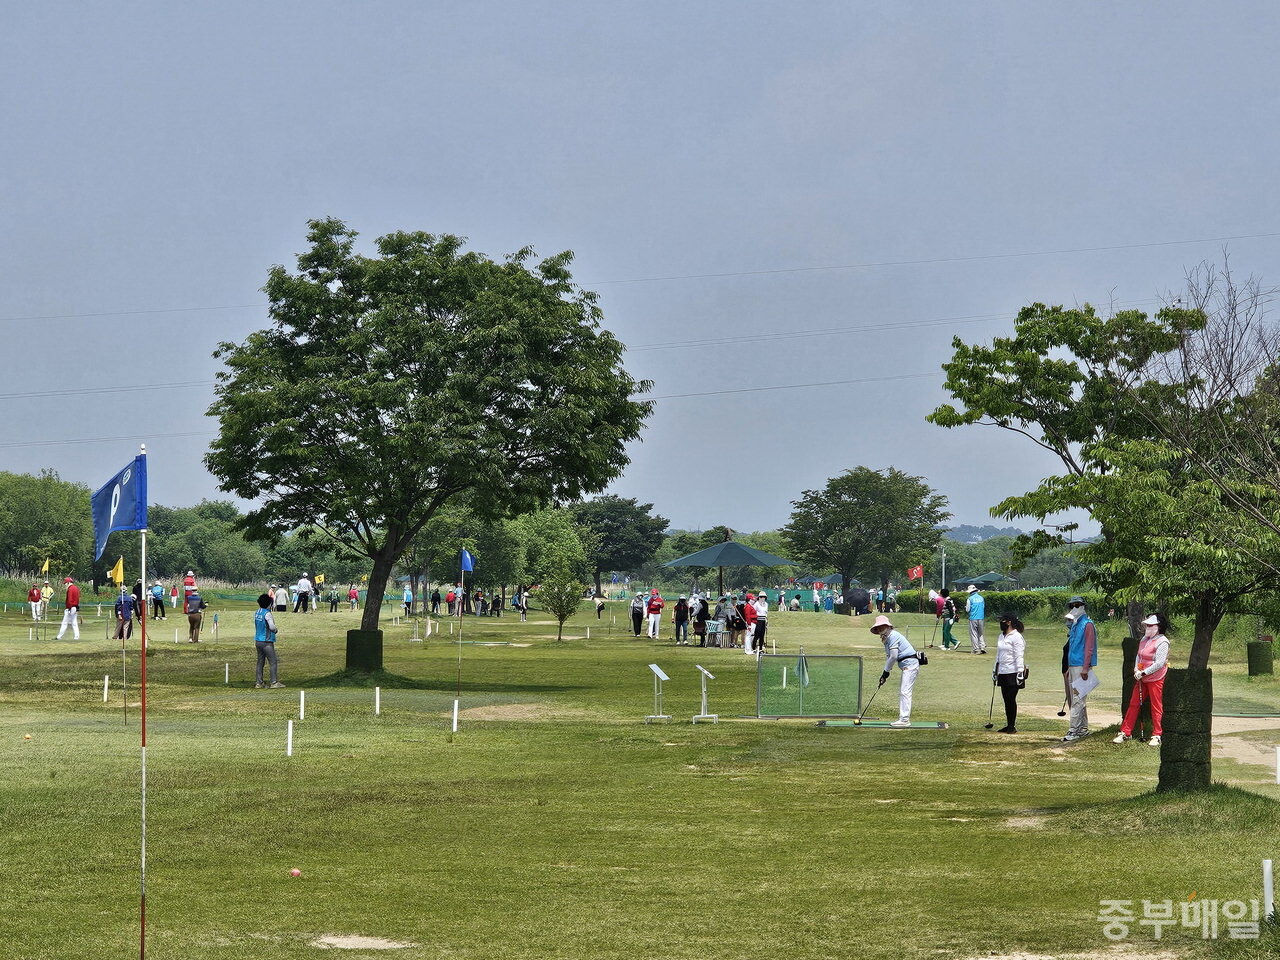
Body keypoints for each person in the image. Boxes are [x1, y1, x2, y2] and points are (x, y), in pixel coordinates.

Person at [1115, 614, 1170, 746]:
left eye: (1150, 625)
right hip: (1141, 678)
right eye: (1147, 625)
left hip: (1156, 678)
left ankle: (1157, 734)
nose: (1147, 627)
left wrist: (1144, 672)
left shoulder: (1163, 642)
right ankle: (1125, 732)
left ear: (1158, 627)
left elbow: (1159, 663)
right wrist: (1136, 670)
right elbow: (1138, 657)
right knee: (1133, 703)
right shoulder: (1144, 639)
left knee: (1156, 706)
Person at [870, 614, 919, 727]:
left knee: (905, 691)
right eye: (878, 627)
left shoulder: (893, 636)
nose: (880, 629)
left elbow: (893, 656)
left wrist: (886, 672)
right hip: (906, 666)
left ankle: (905, 719)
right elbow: (889, 657)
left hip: (910, 665)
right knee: (903, 691)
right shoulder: (887, 639)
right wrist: (884, 675)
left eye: (882, 626)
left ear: (887, 626)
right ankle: (904, 719)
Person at [1062, 596, 1098, 742]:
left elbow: (1089, 648)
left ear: (1083, 606)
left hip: (1081, 666)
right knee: (1077, 698)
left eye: (1077, 605)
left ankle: (1074, 730)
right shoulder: (1075, 624)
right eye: (1072, 605)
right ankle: (1082, 728)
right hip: (1072, 665)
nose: (1074, 608)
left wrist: (1085, 668)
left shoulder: (1087, 624)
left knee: (1078, 699)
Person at [993, 613, 1027, 733]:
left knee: (1010, 698)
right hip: (1003, 671)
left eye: (1002, 621)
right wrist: (995, 670)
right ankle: (1009, 725)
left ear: (1009, 622)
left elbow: (1019, 655)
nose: (1000, 623)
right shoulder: (1001, 636)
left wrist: (1020, 672)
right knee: (1006, 699)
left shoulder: (1016, 637)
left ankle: (1012, 726)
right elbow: (998, 655)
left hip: (1013, 672)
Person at [253, 593, 284, 689]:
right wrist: (275, 630)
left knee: (260, 662)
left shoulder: (257, 612)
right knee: (273, 661)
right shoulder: (267, 613)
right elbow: (271, 626)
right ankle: (274, 682)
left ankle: (259, 682)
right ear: (269, 604)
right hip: (266, 641)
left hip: (258, 641)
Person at [965, 585, 987, 654]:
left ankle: (976, 649)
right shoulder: (981, 598)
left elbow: (967, 610)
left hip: (973, 618)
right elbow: (983, 607)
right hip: (981, 617)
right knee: (980, 633)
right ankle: (982, 647)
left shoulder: (970, 599)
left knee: (974, 633)